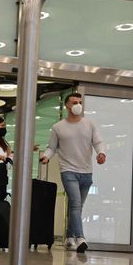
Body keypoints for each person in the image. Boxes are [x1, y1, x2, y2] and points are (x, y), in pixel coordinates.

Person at [39, 92, 106, 253]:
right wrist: (46, 157)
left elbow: (98, 141)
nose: (78, 105)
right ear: (67, 105)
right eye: (74, 102)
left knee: (77, 207)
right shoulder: (58, 127)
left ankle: (69, 236)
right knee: (75, 204)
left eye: (80, 102)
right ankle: (80, 238)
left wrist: (101, 153)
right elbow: (52, 147)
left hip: (86, 172)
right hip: (68, 171)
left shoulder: (89, 124)